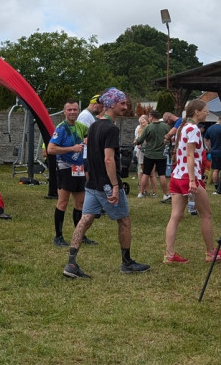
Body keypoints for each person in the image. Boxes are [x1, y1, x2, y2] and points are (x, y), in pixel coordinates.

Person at [63, 88, 149, 278]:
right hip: (106, 185)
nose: (125, 107)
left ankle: (71, 263)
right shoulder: (111, 128)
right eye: (122, 103)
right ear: (111, 104)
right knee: (124, 220)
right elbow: (108, 160)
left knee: (85, 220)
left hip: (92, 183)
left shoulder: (94, 125)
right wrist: (115, 186)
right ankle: (126, 263)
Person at [163, 99, 221, 265]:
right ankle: (210, 252)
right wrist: (194, 181)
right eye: (205, 110)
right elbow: (190, 156)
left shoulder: (183, 128)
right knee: (206, 214)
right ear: (196, 112)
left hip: (177, 176)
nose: (207, 112)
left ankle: (169, 254)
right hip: (189, 177)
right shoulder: (193, 129)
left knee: (175, 216)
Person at [46, 100, 92, 247]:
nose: (72, 112)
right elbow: (50, 149)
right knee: (63, 202)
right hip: (65, 167)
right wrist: (71, 148)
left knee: (80, 203)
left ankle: (80, 235)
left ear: (78, 111)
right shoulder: (61, 128)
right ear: (64, 112)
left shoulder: (82, 127)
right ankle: (58, 236)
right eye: (69, 110)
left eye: (75, 109)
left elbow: (91, 136)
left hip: (79, 168)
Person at [136, 112, 171, 203]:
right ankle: (165, 194)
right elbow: (170, 138)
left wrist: (136, 141)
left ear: (151, 117)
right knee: (162, 174)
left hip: (149, 154)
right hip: (161, 155)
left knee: (145, 174)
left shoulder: (148, 127)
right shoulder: (165, 127)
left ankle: (140, 193)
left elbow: (140, 140)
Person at [204, 115, 221, 193]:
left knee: (215, 170)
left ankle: (216, 187)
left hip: (214, 152)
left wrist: (209, 148)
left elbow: (206, 139)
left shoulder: (210, 128)